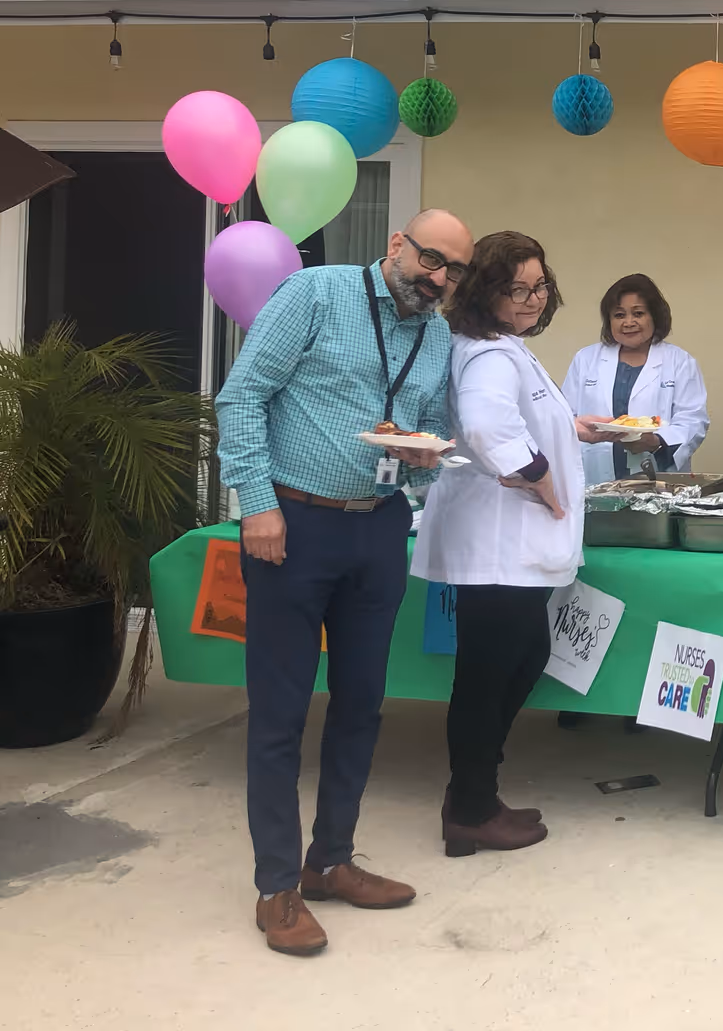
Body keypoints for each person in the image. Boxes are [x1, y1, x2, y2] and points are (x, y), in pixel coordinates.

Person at [215, 208, 472, 956]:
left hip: (380, 526)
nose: (439, 279)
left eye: (453, 271)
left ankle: (331, 859)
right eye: (431, 259)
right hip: (292, 524)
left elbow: (424, 423)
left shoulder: (437, 333)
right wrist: (256, 505)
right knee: (281, 713)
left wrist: (424, 459)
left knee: (362, 704)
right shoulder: (315, 294)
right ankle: (275, 887)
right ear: (397, 244)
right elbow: (242, 397)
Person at [413, 231, 615, 857]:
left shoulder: (502, 345)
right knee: (488, 675)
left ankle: (475, 793)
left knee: (523, 657)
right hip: (498, 543)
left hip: (507, 546)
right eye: (516, 288)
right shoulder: (490, 355)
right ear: (485, 290)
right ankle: (470, 808)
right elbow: (485, 423)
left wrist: (566, 427)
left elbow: (517, 416)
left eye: (539, 285)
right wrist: (541, 478)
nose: (531, 299)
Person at [561, 273, 709, 484]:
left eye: (638, 313)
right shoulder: (586, 359)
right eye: (619, 315)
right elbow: (566, 416)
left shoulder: (680, 361)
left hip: (656, 474)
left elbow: (693, 420)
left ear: (654, 317)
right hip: (593, 473)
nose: (628, 323)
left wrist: (656, 441)